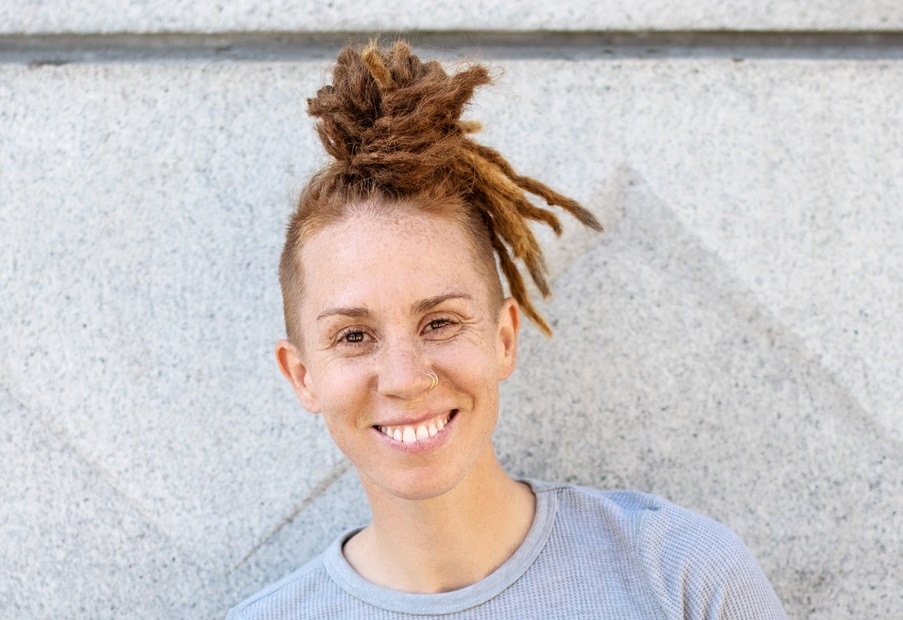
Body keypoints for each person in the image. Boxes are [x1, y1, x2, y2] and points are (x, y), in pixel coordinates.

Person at [227, 40, 787, 619]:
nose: (404, 377)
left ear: (503, 339)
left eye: (439, 322)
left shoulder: (681, 573)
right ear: (302, 376)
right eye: (353, 336)